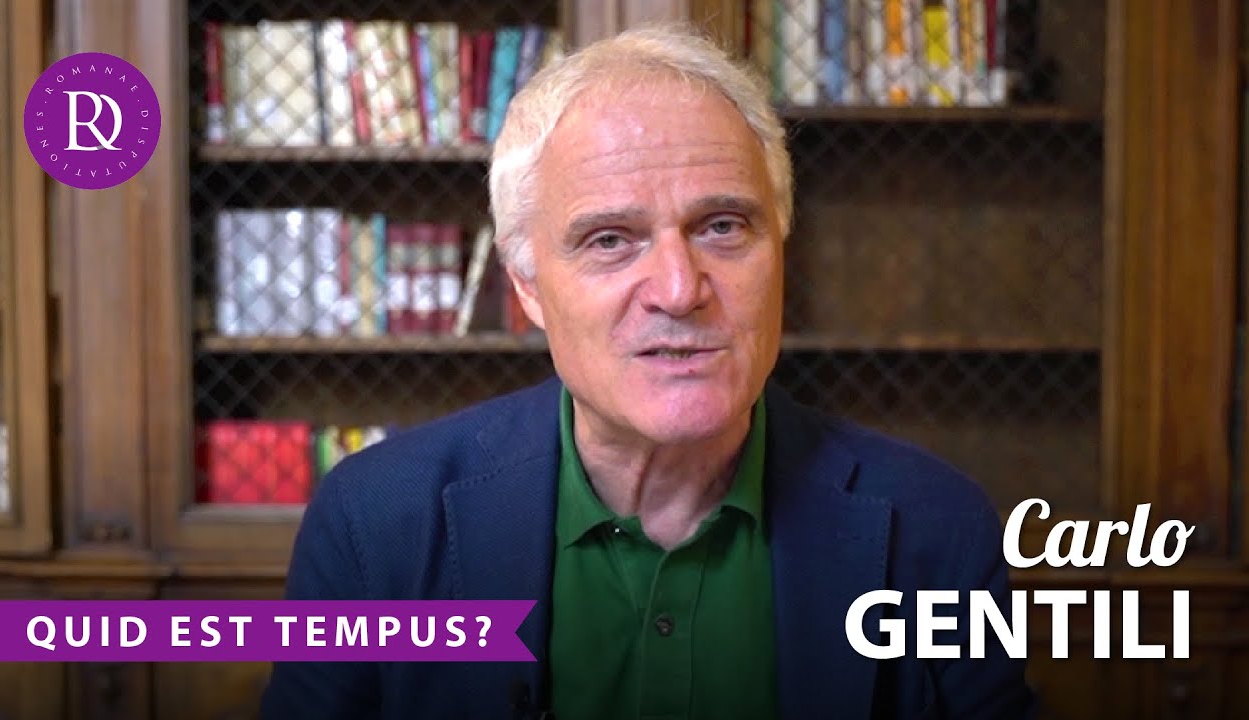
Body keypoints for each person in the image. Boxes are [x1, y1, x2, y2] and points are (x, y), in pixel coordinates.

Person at [260, 21, 1036, 720]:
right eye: (609, 240)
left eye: (722, 226)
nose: (678, 289)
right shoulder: (375, 525)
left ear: (781, 252)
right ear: (526, 286)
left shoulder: (935, 528)